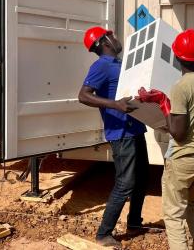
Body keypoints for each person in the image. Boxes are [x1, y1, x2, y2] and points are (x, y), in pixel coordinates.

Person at [147, 29, 194, 250]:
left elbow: (178, 133)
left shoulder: (181, 87)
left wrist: (162, 103)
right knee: (193, 203)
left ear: (176, 56)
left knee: (173, 214)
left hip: (184, 157)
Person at [78, 26, 149, 248]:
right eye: (112, 35)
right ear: (104, 41)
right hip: (121, 134)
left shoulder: (120, 63)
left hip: (136, 129)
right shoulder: (100, 66)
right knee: (125, 183)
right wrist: (114, 105)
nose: (116, 38)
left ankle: (134, 223)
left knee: (142, 178)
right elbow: (83, 95)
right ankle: (103, 234)